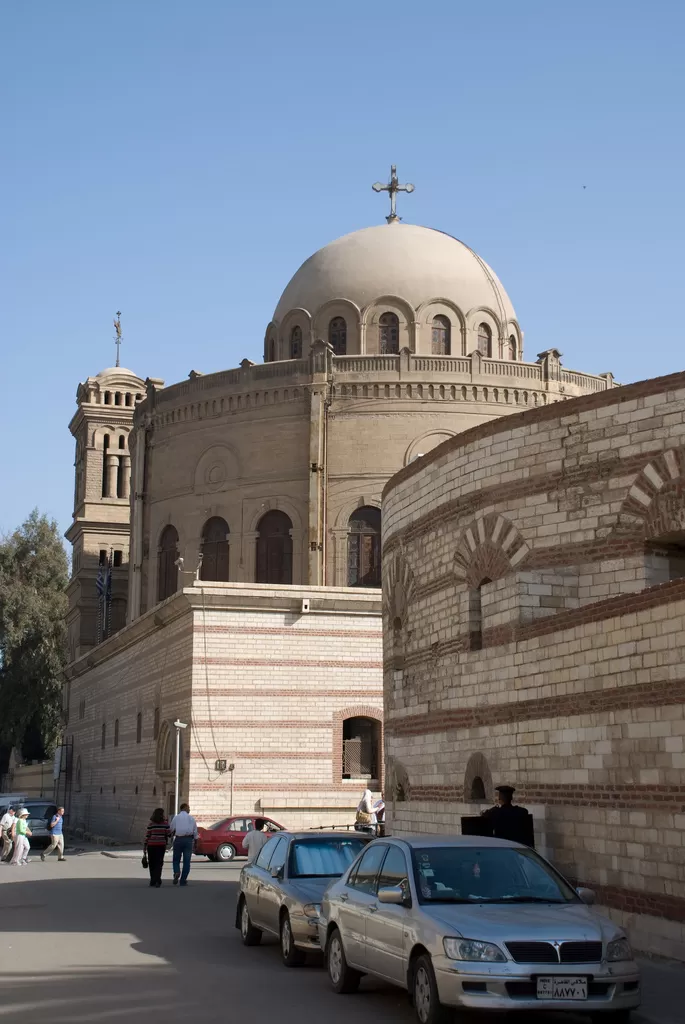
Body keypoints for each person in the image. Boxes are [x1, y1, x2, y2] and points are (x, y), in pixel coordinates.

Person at [169, 802, 198, 886]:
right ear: (184, 808)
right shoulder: (191, 818)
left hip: (178, 839)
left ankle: (176, 872)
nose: (189, 809)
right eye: (188, 808)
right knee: (187, 861)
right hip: (188, 840)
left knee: (176, 859)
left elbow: (171, 829)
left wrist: (172, 835)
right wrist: (196, 842)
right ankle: (183, 880)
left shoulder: (176, 818)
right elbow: (195, 832)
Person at [144, 807, 171, 887]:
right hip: (161, 845)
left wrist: (145, 846)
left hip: (151, 845)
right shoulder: (165, 824)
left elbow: (147, 836)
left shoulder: (151, 824)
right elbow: (169, 834)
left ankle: (153, 880)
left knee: (152, 862)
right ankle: (158, 879)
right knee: (159, 862)